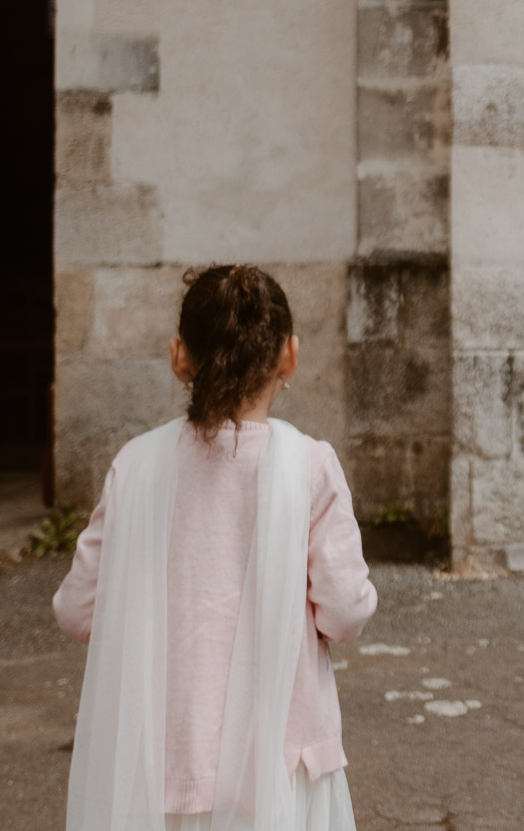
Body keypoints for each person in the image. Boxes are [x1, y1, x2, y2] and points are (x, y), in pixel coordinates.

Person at [53, 265, 377, 830]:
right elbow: (346, 613)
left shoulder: (137, 467)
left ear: (180, 357)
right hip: (284, 761)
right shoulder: (309, 468)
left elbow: (77, 609)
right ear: (290, 357)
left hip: (164, 768)